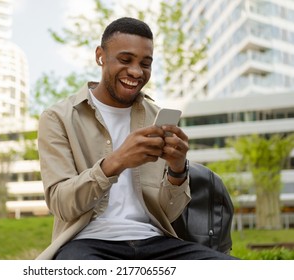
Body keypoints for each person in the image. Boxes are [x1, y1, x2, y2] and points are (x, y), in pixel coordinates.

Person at [37, 17, 237, 260]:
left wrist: (177, 170)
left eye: (146, 63)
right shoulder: (59, 118)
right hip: (87, 242)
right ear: (101, 56)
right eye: (125, 60)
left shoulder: (157, 117)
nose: (136, 71)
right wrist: (116, 162)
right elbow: (61, 204)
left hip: (155, 241)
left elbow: (169, 213)